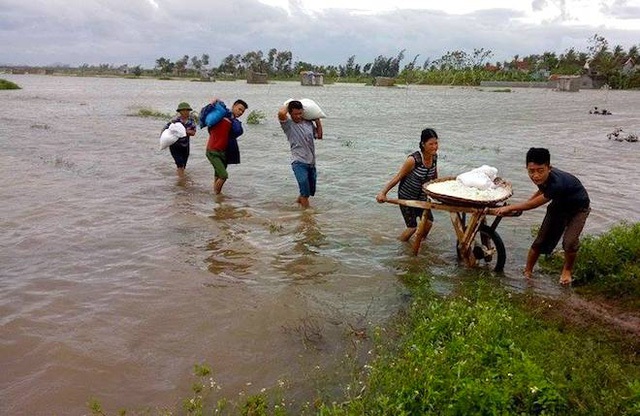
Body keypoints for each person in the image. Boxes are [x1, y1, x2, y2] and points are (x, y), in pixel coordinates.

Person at [494, 147, 590, 285]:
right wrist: (525, 203)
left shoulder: (557, 183)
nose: (536, 176)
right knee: (540, 241)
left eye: (540, 171)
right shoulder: (544, 179)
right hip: (559, 205)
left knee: (569, 242)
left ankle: (567, 271)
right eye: (531, 171)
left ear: (549, 168)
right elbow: (541, 192)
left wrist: (510, 207)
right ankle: (527, 271)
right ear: (526, 168)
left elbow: (533, 205)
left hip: (578, 209)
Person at [376, 128, 439, 254]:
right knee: (412, 228)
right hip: (407, 196)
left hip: (421, 197)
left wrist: (439, 193)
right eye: (431, 144)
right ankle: (400, 248)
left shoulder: (434, 157)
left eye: (436, 143)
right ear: (423, 144)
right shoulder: (413, 160)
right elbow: (398, 177)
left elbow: (434, 177)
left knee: (429, 223)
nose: (434, 147)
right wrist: (383, 193)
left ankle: (419, 244)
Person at [278, 100, 323, 209]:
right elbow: (281, 114)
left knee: (309, 191)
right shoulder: (288, 125)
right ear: (290, 113)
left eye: (300, 113)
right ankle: (307, 217)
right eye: (295, 114)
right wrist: (289, 103)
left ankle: (296, 205)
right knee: (305, 193)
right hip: (298, 162)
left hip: (311, 163)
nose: (298, 116)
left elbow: (319, 135)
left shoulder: (308, 123)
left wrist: (317, 120)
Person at [204, 98, 248, 194]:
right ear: (234, 106)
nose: (240, 112)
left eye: (243, 111)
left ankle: (216, 201)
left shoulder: (233, 122)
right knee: (224, 175)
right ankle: (216, 196)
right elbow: (215, 108)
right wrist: (215, 100)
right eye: (239, 109)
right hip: (213, 151)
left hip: (224, 152)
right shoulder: (222, 115)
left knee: (218, 175)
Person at [164, 102, 197, 177]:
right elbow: (166, 129)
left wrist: (183, 131)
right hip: (174, 145)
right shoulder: (175, 120)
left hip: (185, 145)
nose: (186, 112)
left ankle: (180, 177)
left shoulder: (191, 120)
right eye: (184, 110)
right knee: (179, 165)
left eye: (187, 110)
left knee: (183, 165)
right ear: (180, 111)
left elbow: (193, 132)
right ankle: (181, 182)